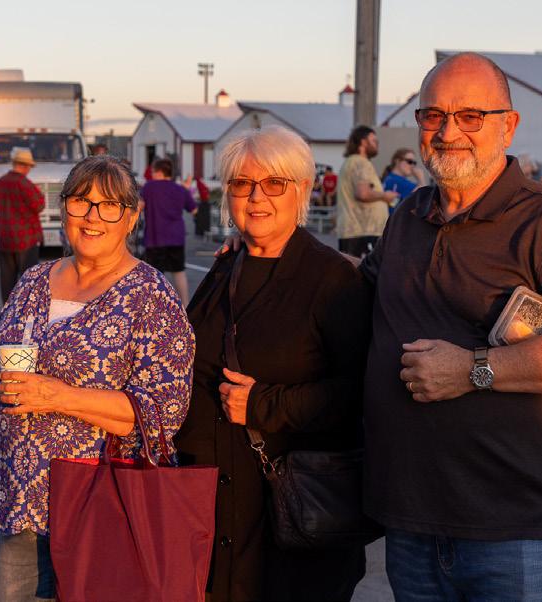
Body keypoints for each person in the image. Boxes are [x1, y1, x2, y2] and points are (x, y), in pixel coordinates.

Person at [360, 53, 542, 601]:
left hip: (516, 529)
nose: (448, 132)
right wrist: (273, 249)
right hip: (412, 518)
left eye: (470, 116)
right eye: (433, 116)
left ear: (508, 125)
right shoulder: (408, 216)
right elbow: (355, 291)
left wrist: (472, 370)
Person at [175, 125, 370, 602]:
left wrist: (265, 404)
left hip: (293, 525)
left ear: (302, 189)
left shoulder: (332, 280)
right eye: (242, 183)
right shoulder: (226, 266)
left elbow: (361, 393)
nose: (256, 196)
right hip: (213, 520)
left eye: (274, 183)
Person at [0, 155, 194, 601]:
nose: (93, 216)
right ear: (63, 208)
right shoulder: (32, 282)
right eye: (80, 201)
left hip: (99, 510)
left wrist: (60, 396)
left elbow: (163, 413)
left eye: (110, 205)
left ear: (132, 217)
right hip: (20, 506)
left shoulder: (150, 295)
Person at [140, 158, 197, 301]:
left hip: (155, 238)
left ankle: (154, 306)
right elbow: (194, 210)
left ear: (159, 172)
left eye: (153, 172)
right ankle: (185, 305)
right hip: (176, 238)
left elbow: (138, 205)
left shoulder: (149, 187)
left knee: (154, 275)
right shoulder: (180, 189)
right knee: (179, 272)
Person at [0, 147, 46, 302]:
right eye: (29, 166)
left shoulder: (0, 183)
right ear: (24, 165)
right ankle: (24, 308)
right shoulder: (25, 184)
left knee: (7, 279)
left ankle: (7, 308)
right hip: (25, 238)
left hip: (4, 237)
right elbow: (39, 205)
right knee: (27, 279)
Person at [337, 125, 398, 257]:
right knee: (364, 270)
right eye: (374, 140)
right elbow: (363, 193)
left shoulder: (351, 162)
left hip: (356, 231)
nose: (377, 144)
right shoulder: (361, 163)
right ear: (364, 142)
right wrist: (386, 196)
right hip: (362, 232)